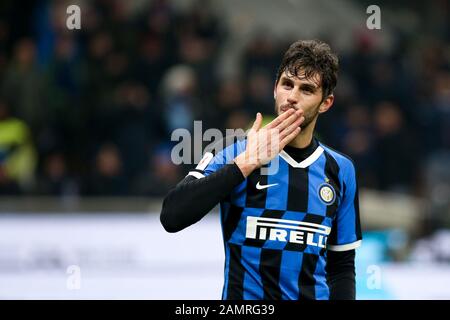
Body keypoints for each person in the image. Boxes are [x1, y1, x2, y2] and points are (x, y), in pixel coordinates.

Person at [160, 40, 362, 300]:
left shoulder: (341, 170)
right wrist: (246, 163)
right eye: (287, 84)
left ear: (326, 102)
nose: (292, 97)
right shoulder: (233, 152)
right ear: (274, 89)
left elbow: (342, 267)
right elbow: (172, 215)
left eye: (307, 89)